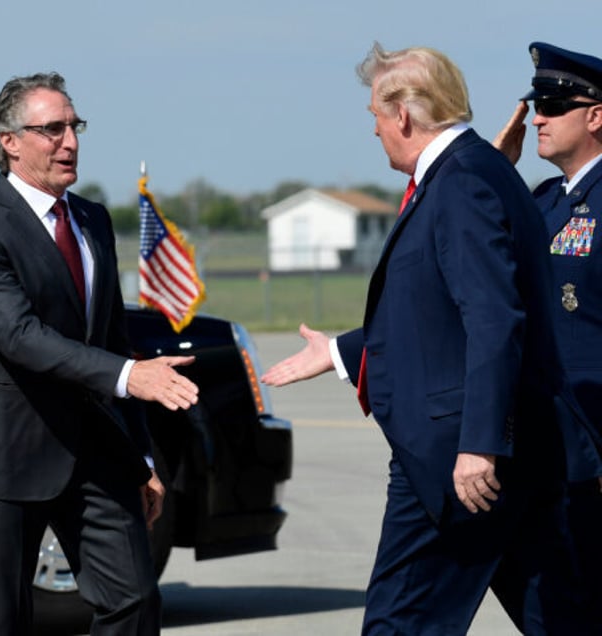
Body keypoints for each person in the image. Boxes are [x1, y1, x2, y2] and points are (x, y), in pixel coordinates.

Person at [261, 43, 598, 635]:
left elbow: (494, 317)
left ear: (404, 116)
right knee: (565, 620)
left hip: (460, 464)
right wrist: (343, 351)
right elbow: (435, 318)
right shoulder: (478, 171)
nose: (373, 131)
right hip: (500, 454)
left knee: (400, 623)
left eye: (374, 115)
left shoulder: (463, 181)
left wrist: (480, 444)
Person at [0, 72, 199, 635]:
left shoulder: (92, 219)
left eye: (74, 127)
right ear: (9, 141)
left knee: (133, 599)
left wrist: (142, 457)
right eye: (51, 130)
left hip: (94, 452)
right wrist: (130, 376)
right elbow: (20, 336)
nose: (70, 141)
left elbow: (110, 340)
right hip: (1, 456)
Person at [494, 41, 602, 630]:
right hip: (549, 454)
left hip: (590, 450)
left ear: (595, 115)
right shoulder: (543, 201)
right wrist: (494, 170)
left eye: (555, 105)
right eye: (538, 104)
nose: (537, 117)